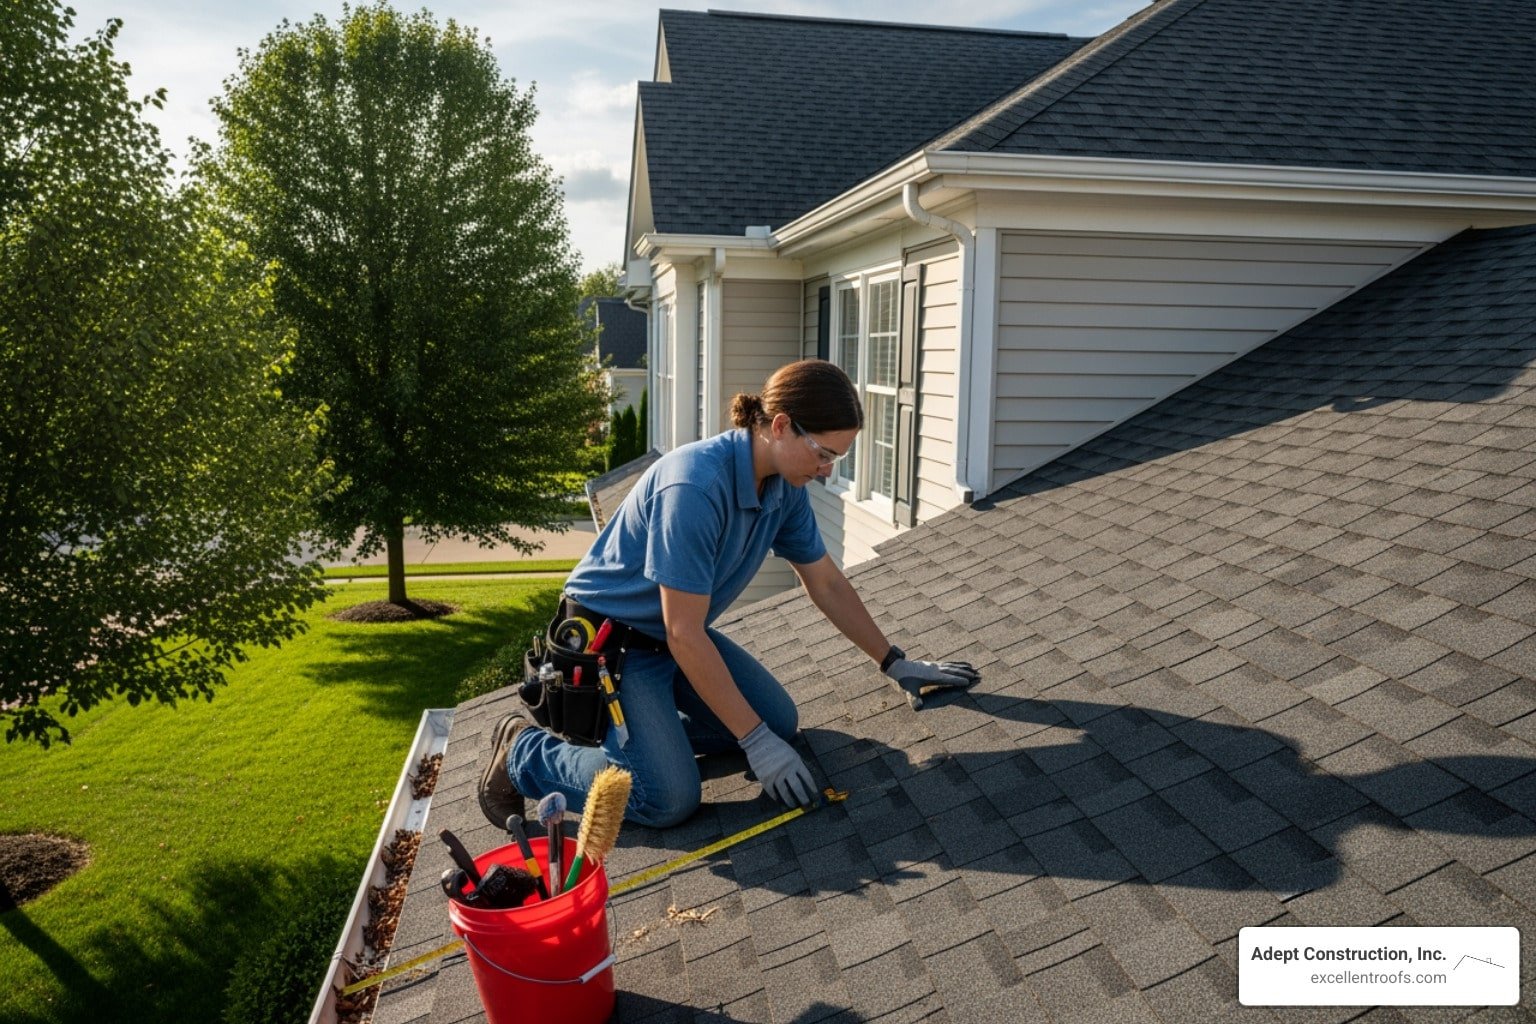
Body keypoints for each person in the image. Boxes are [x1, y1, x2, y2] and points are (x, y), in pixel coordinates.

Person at [479, 359, 979, 828]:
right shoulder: (695, 489)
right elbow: (684, 633)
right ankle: (524, 752)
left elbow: (824, 581)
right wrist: (753, 741)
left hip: (675, 640)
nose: (827, 470)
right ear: (780, 426)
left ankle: (652, 738)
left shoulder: (784, 488)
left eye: (837, 458)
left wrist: (893, 661)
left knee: (777, 723)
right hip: (615, 647)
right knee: (669, 796)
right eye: (824, 453)